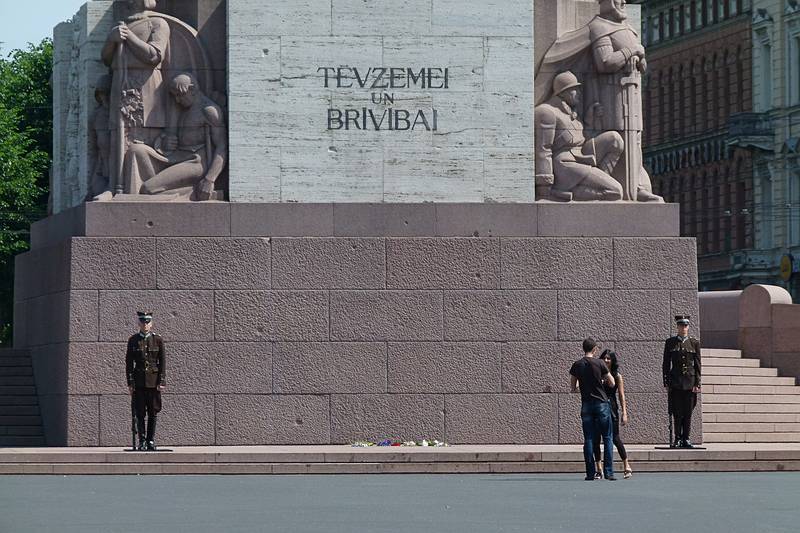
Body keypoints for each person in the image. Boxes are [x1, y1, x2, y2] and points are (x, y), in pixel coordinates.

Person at [122, 72, 227, 199]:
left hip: (195, 161)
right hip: (176, 156)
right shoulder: (184, 108)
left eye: (180, 95)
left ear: (192, 89)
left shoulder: (209, 111)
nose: (177, 100)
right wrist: (165, 142)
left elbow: (222, 147)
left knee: (147, 188)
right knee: (136, 150)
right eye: (175, 96)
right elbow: (172, 138)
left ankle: (189, 193)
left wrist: (209, 179)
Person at [534, 71, 624, 201]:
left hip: (581, 157)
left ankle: (595, 180)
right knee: (616, 191)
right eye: (575, 90)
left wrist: (590, 120)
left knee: (615, 140)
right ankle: (575, 192)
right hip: (565, 164)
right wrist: (544, 186)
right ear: (564, 92)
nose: (579, 94)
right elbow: (543, 149)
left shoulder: (571, 113)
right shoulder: (547, 112)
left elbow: (580, 140)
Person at [570, 338, 616, 481]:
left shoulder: (577, 365)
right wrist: (602, 382)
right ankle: (609, 472)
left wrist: (579, 388)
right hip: (601, 402)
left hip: (587, 404)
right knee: (607, 437)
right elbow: (612, 382)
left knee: (588, 438)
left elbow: (573, 386)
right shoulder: (600, 363)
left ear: (584, 349)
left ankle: (590, 473)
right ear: (595, 349)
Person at [126, 311, 166, 451]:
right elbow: (129, 363)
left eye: (148, 322)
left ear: (151, 323)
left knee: (153, 412)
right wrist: (130, 383)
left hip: (153, 382)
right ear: (139, 323)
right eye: (143, 322)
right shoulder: (133, 340)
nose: (145, 324)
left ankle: (150, 440)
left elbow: (162, 362)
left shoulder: (158, 340)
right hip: (139, 382)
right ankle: (141, 441)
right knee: (140, 413)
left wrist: (162, 381)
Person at [592, 349, 633, 479]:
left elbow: (621, 395)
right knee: (596, 439)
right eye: (604, 358)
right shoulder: (597, 374)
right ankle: (599, 469)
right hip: (598, 408)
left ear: (612, 360)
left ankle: (626, 465)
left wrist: (624, 412)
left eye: (609, 358)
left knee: (615, 438)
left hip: (612, 408)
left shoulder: (617, 376)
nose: (606, 360)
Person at [663, 315, 701, 448]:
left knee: (688, 412)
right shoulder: (670, 342)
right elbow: (666, 364)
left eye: (686, 325)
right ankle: (677, 438)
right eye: (681, 325)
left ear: (688, 327)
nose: (683, 328)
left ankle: (686, 438)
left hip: (690, 383)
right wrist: (666, 382)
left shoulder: (694, 343)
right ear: (677, 327)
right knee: (677, 412)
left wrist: (697, 383)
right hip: (676, 383)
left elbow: (697, 365)